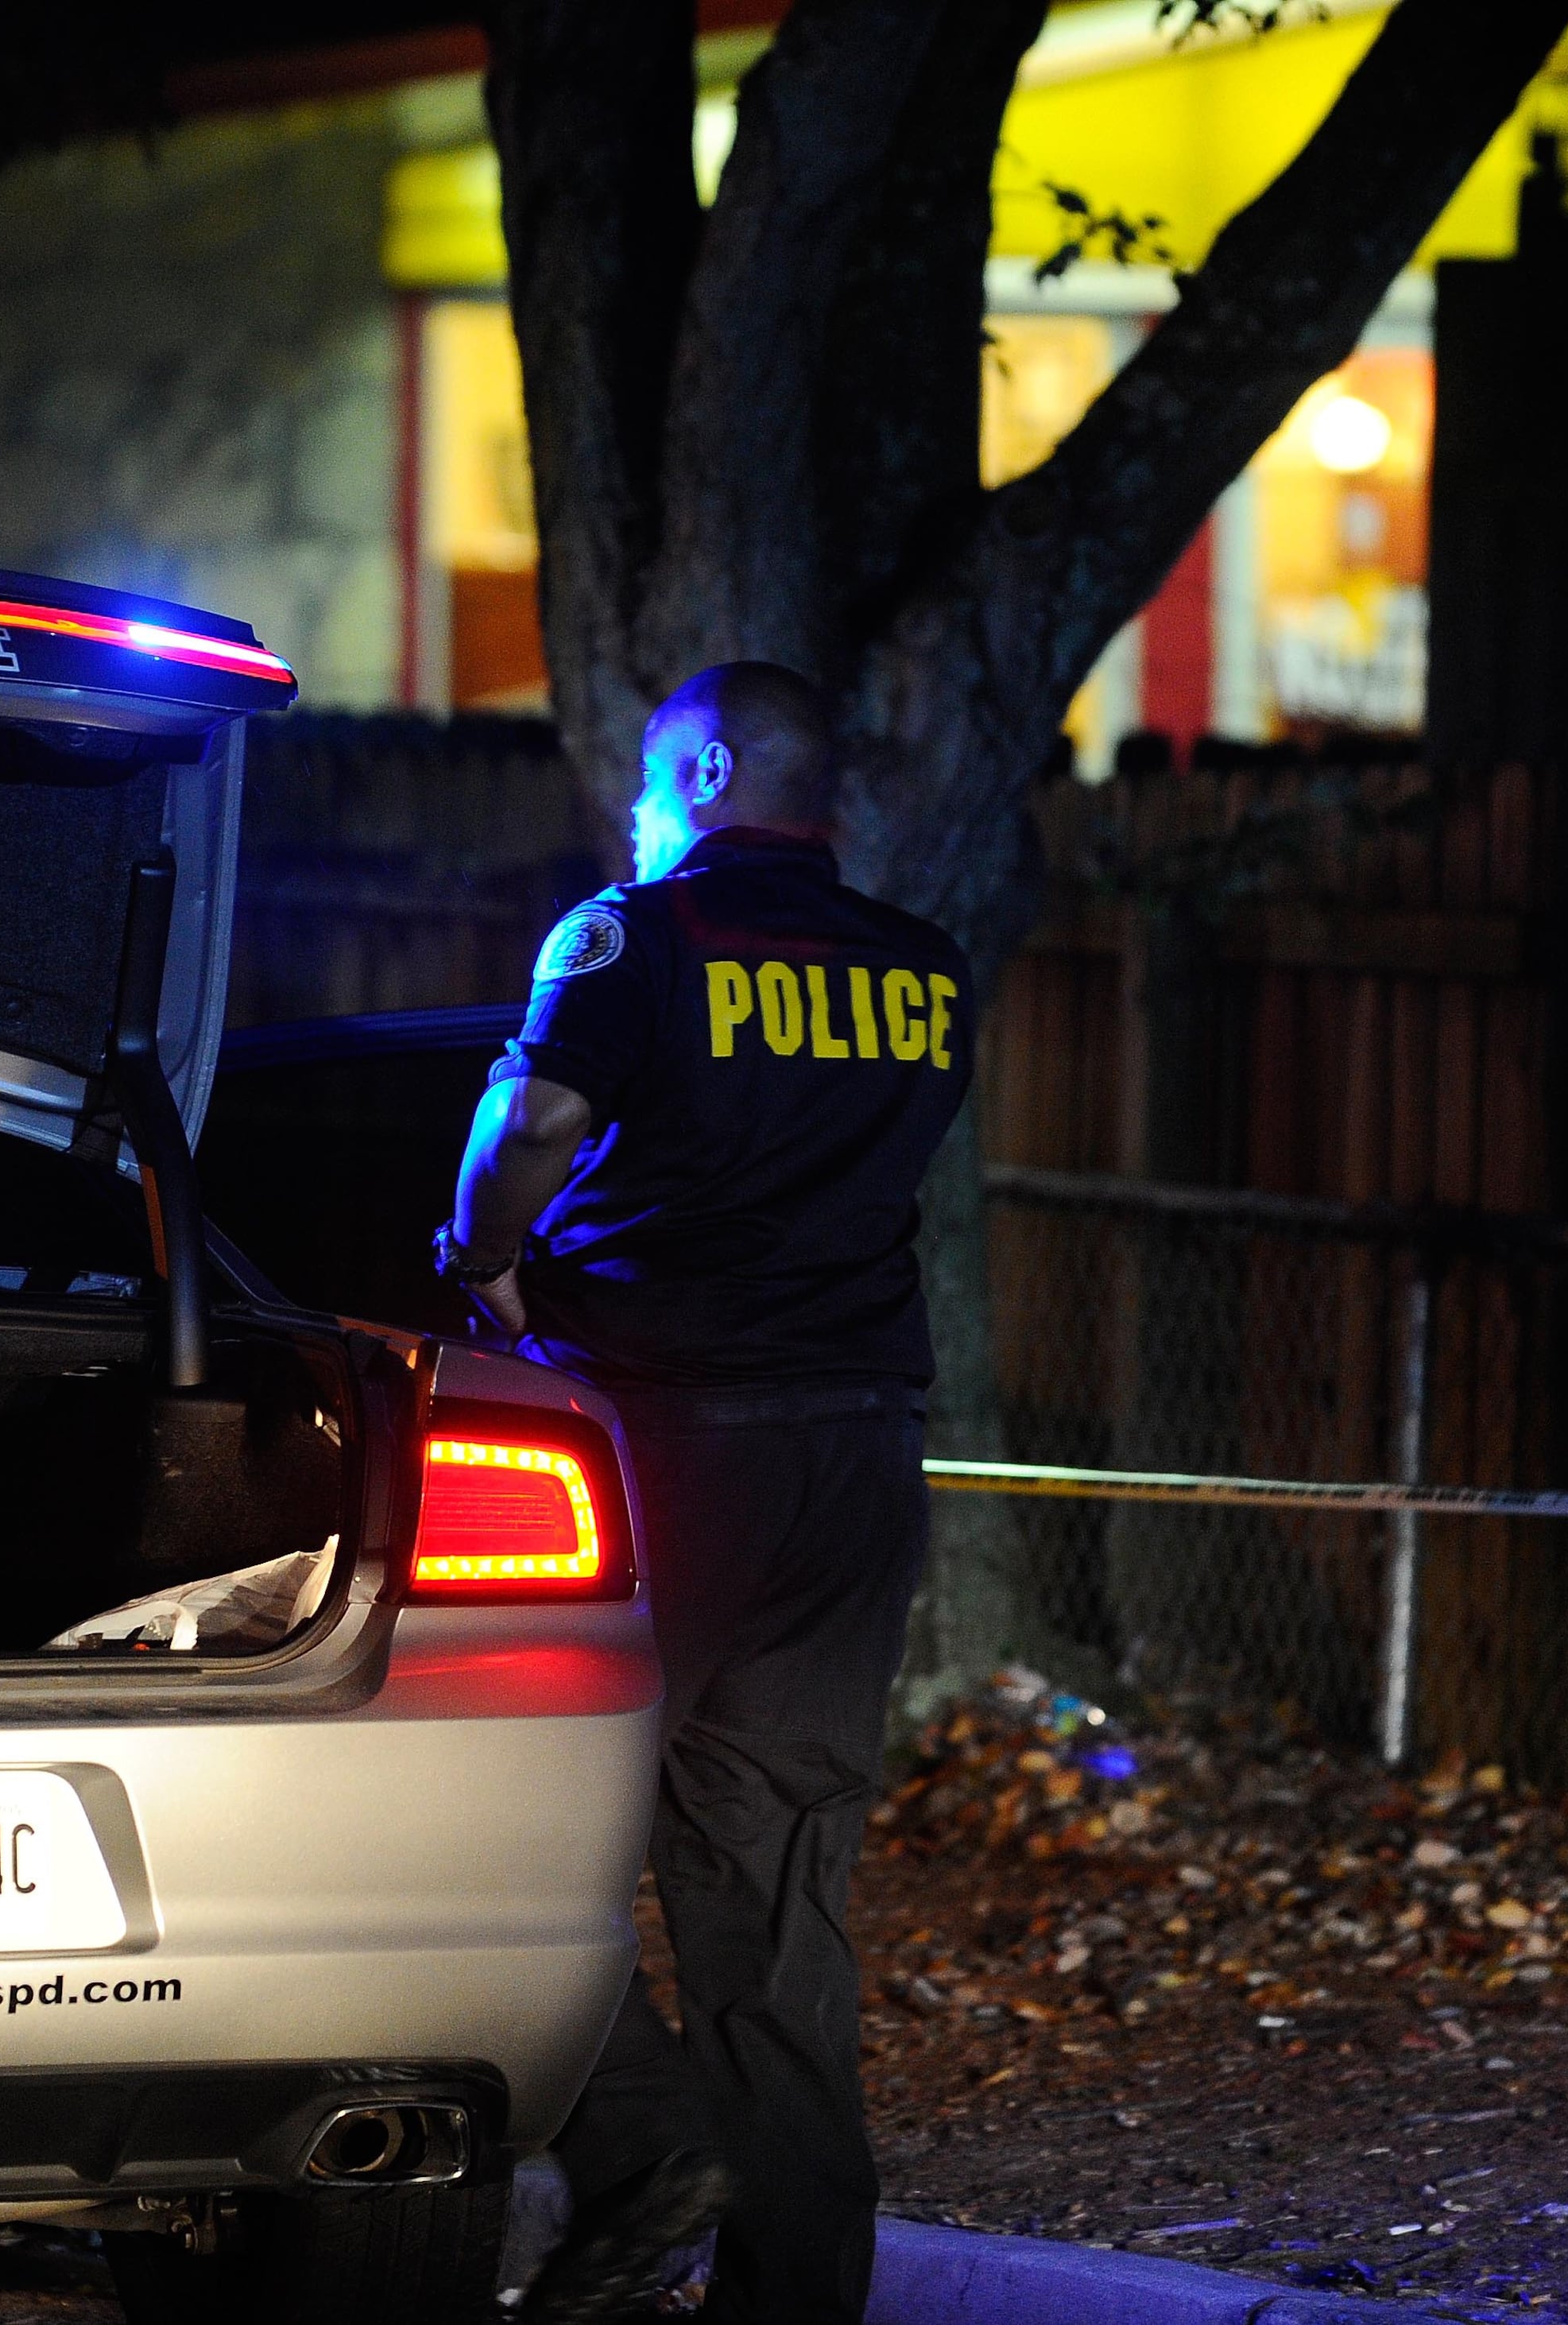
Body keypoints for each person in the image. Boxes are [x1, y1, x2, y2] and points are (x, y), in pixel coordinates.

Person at [432, 663, 973, 2325]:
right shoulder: (924, 969)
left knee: (493, 1846)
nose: (642, 816)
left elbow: (537, 1114)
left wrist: (479, 1252)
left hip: (671, 1453)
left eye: (662, 783)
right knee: (784, 1902)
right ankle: (797, 2295)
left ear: (716, 769)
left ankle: (647, 2140)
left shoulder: (630, 936)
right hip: (860, 1460)